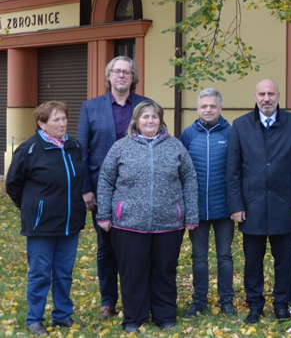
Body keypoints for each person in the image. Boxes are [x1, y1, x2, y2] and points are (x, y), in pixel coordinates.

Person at [95, 101, 198, 333]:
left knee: (164, 271)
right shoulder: (121, 147)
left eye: (154, 117)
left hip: (169, 222)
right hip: (129, 223)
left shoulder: (176, 147)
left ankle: (165, 316)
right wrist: (104, 214)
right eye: (145, 117)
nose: (150, 121)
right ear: (136, 120)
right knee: (133, 273)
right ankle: (134, 318)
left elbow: (189, 180)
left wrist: (191, 214)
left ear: (161, 120)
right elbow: (105, 180)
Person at [227, 79, 291, 325]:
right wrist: (236, 206)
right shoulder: (241, 125)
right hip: (251, 206)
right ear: (255, 96)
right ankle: (255, 305)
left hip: (285, 205)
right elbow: (232, 170)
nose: (266, 98)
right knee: (252, 261)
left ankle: (281, 304)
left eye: (271, 94)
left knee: (284, 261)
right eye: (262, 94)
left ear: (278, 96)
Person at [77, 56, 150, 320]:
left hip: (139, 190)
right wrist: (86, 189)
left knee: (137, 247)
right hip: (101, 190)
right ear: (109, 76)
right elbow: (82, 151)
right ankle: (108, 301)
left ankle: (138, 298)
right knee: (106, 248)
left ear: (133, 77)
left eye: (126, 72)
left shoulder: (145, 106)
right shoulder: (90, 107)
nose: (121, 76)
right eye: (117, 72)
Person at [6, 102, 87, 336]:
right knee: (40, 271)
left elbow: (78, 180)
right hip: (41, 225)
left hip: (70, 224)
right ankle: (35, 319)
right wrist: (33, 207)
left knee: (64, 271)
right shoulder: (30, 149)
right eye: (56, 120)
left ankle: (62, 315)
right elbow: (13, 183)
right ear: (41, 123)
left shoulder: (74, 146)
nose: (62, 124)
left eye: (64, 118)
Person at [179, 88, 236, 317]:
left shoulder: (231, 133)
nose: (208, 110)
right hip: (197, 210)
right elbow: (180, 170)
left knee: (225, 256)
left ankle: (227, 301)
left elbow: (238, 170)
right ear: (198, 109)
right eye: (204, 106)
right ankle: (199, 301)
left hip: (224, 209)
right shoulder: (188, 134)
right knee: (199, 258)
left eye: (213, 106)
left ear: (220, 108)